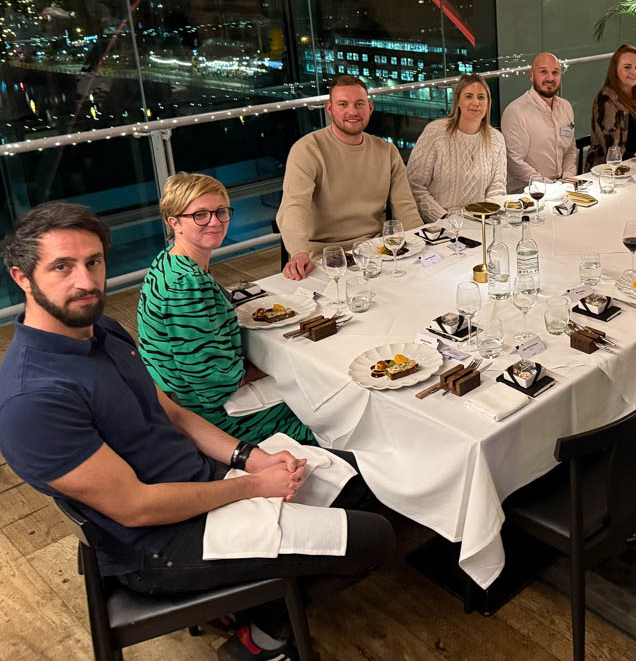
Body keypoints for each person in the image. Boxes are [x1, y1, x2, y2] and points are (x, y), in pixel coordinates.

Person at [0, 203, 395, 661]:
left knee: (364, 480)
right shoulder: (34, 398)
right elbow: (135, 508)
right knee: (377, 538)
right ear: (22, 277)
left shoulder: (99, 329)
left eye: (93, 261)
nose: (86, 281)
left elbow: (174, 413)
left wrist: (252, 458)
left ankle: (250, 600)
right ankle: (263, 634)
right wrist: (254, 486)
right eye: (62, 267)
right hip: (159, 545)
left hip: (201, 480)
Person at [138, 173, 313, 445]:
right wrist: (278, 367)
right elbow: (213, 386)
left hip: (177, 399)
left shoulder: (167, 261)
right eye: (200, 215)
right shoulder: (186, 284)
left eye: (221, 212)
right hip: (208, 416)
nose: (215, 222)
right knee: (320, 412)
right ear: (174, 222)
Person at [277, 74, 421, 280]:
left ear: (370, 108)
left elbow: (405, 206)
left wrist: (420, 241)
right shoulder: (307, 149)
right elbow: (294, 206)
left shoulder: (386, 151)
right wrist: (298, 251)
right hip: (323, 257)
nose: (352, 111)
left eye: (359, 104)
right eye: (343, 104)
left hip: (375, 251)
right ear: (330, 109)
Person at [407, 73, 507, 223]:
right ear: (457, 100)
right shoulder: (435, 133)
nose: (476, 102)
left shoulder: (497, 139)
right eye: (468, 96)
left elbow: (497, 188)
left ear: (488, 102)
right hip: (441, 225)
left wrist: (487, 218)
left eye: (481, 97)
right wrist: (443, 218)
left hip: (480, 222)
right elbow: (414, 185)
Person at [501, 52, 577, 190]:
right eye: (543, 72)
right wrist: (549, 186)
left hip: (562, 187)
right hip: (527, 193)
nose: (550, 78)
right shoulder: (516, 112)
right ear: (531, 76)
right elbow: (514, 163)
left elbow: (570, 150)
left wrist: (568, 178)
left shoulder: (566, 107)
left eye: (555, 72)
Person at [586, 44, 636, 168]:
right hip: (613, 172)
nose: (634, 72)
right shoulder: (607, 100)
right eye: (627, 67)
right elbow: (612, 152)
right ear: (615, 70)